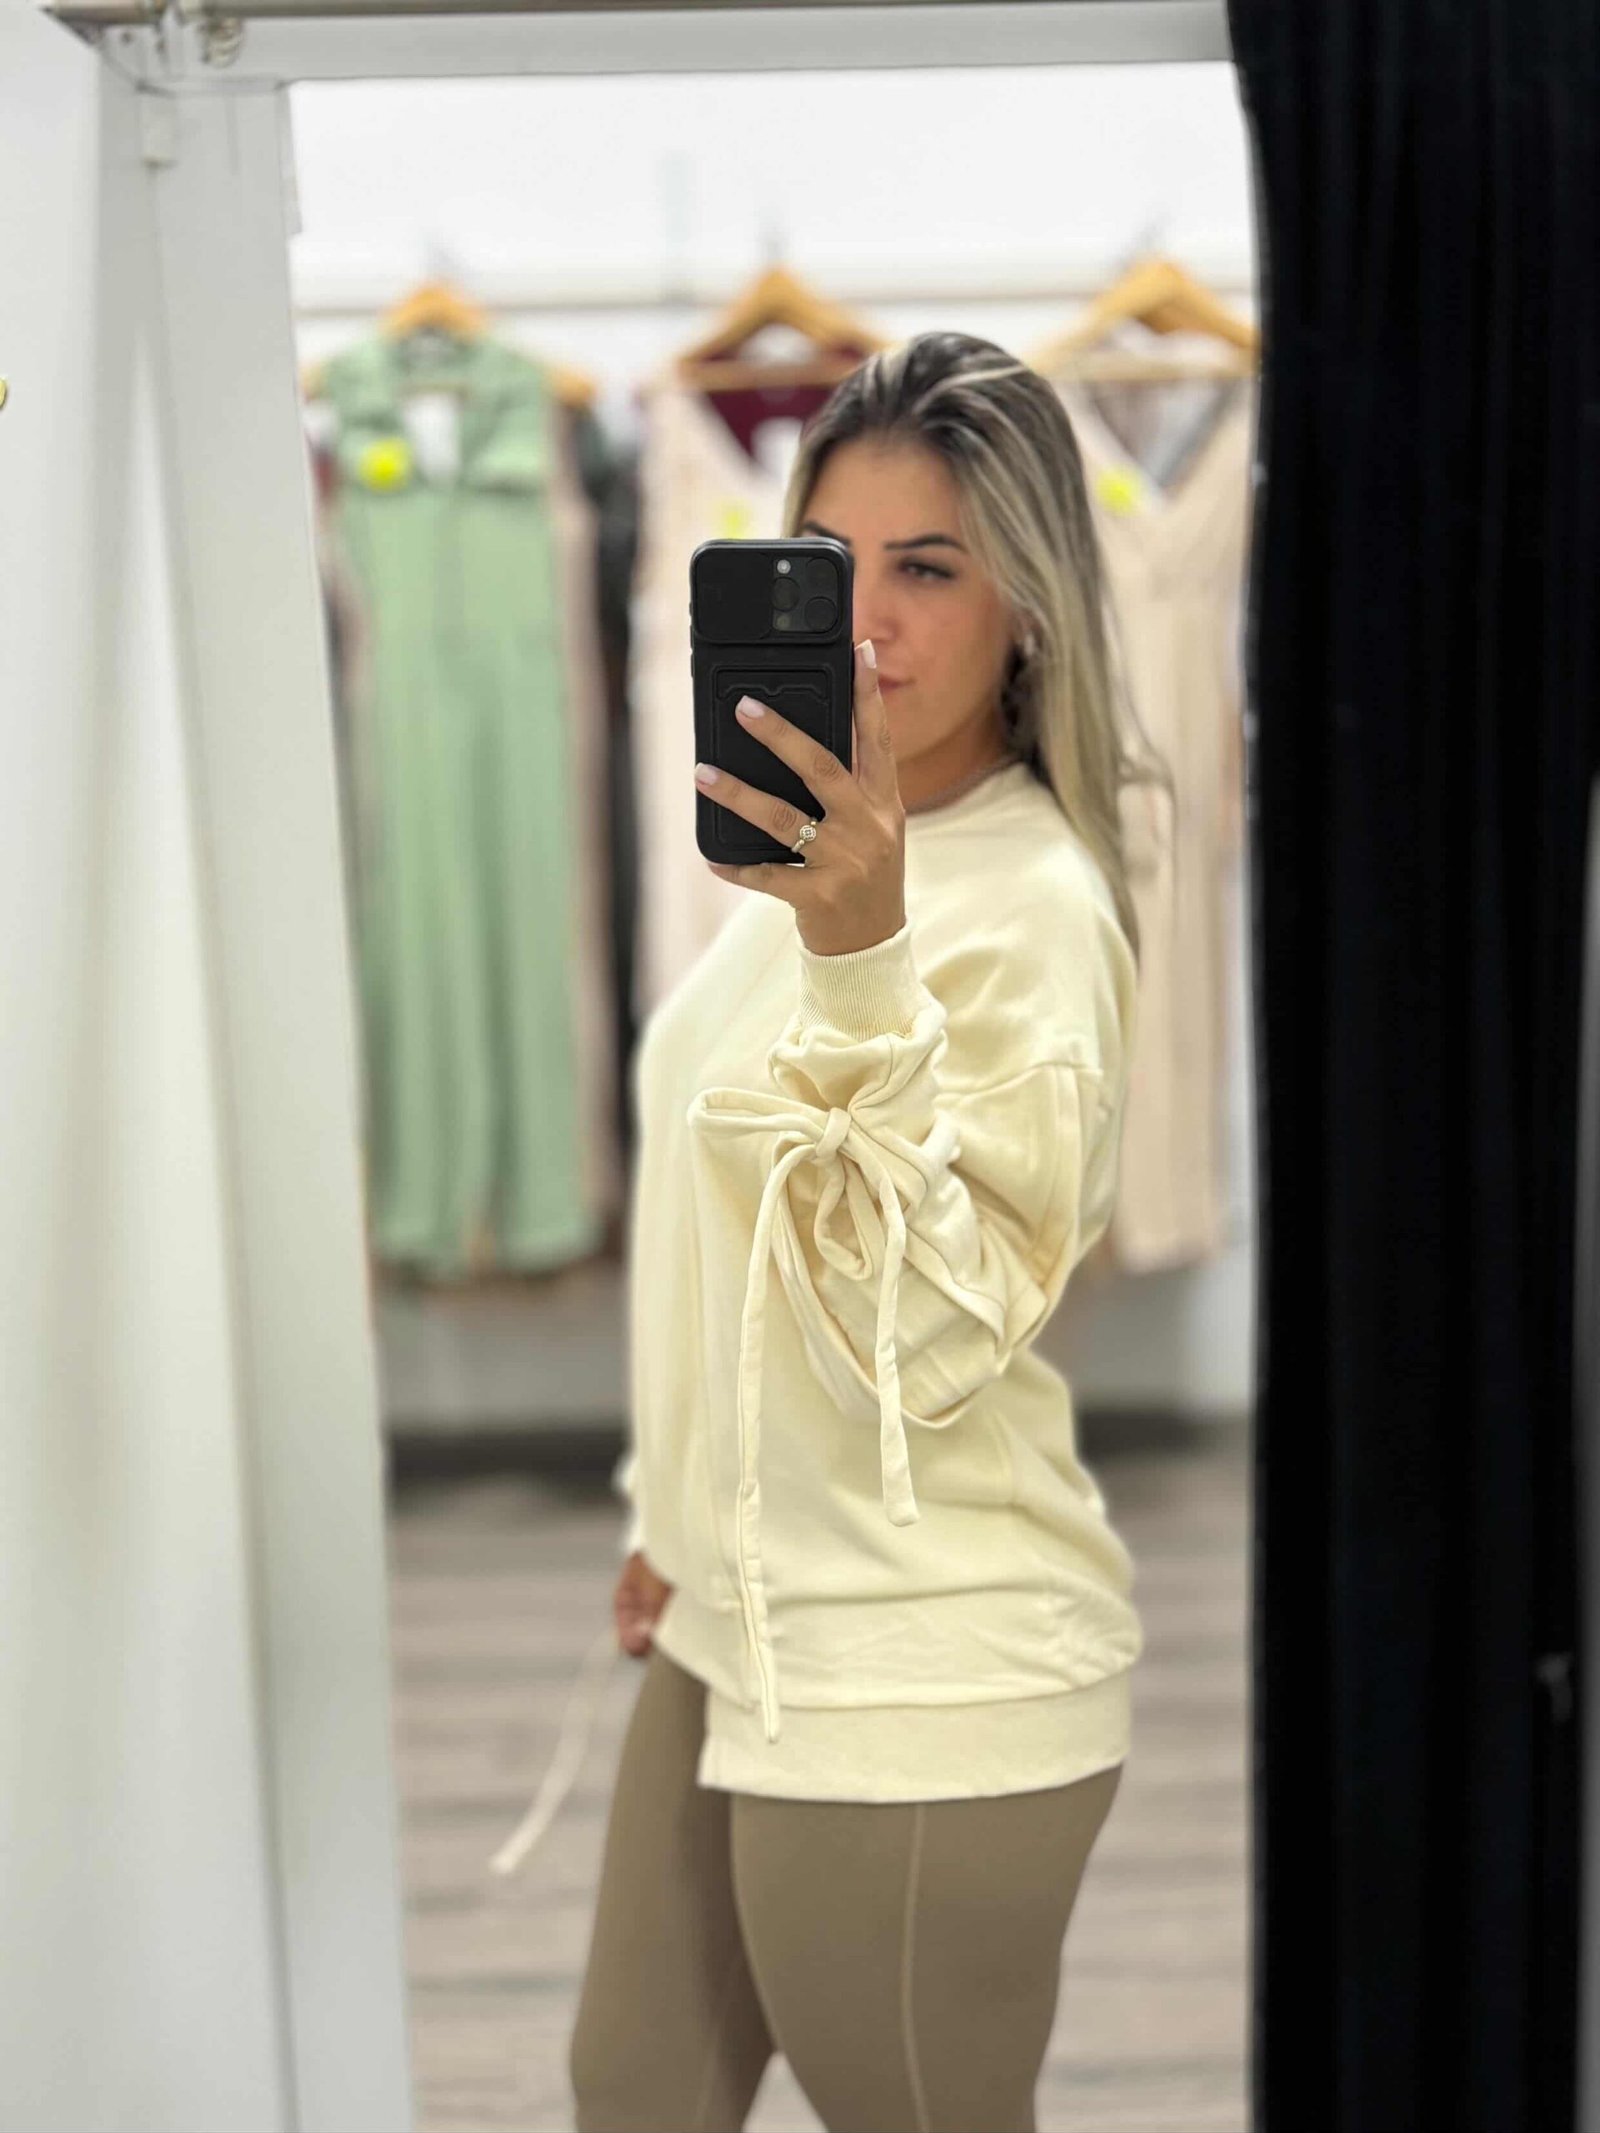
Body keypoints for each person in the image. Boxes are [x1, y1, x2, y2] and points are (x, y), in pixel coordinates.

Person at [569, 330, 1170, 2133]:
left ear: (1028, 609)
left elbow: (918, 1340)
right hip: (745, 1610)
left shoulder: (1024, 907)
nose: (870, 625)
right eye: (834, 564)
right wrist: (675, 1504)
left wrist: (859, 958)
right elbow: (728, 1216)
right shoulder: (835, 848)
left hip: (924, 1654)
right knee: (632, 2097)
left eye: (930, 570)